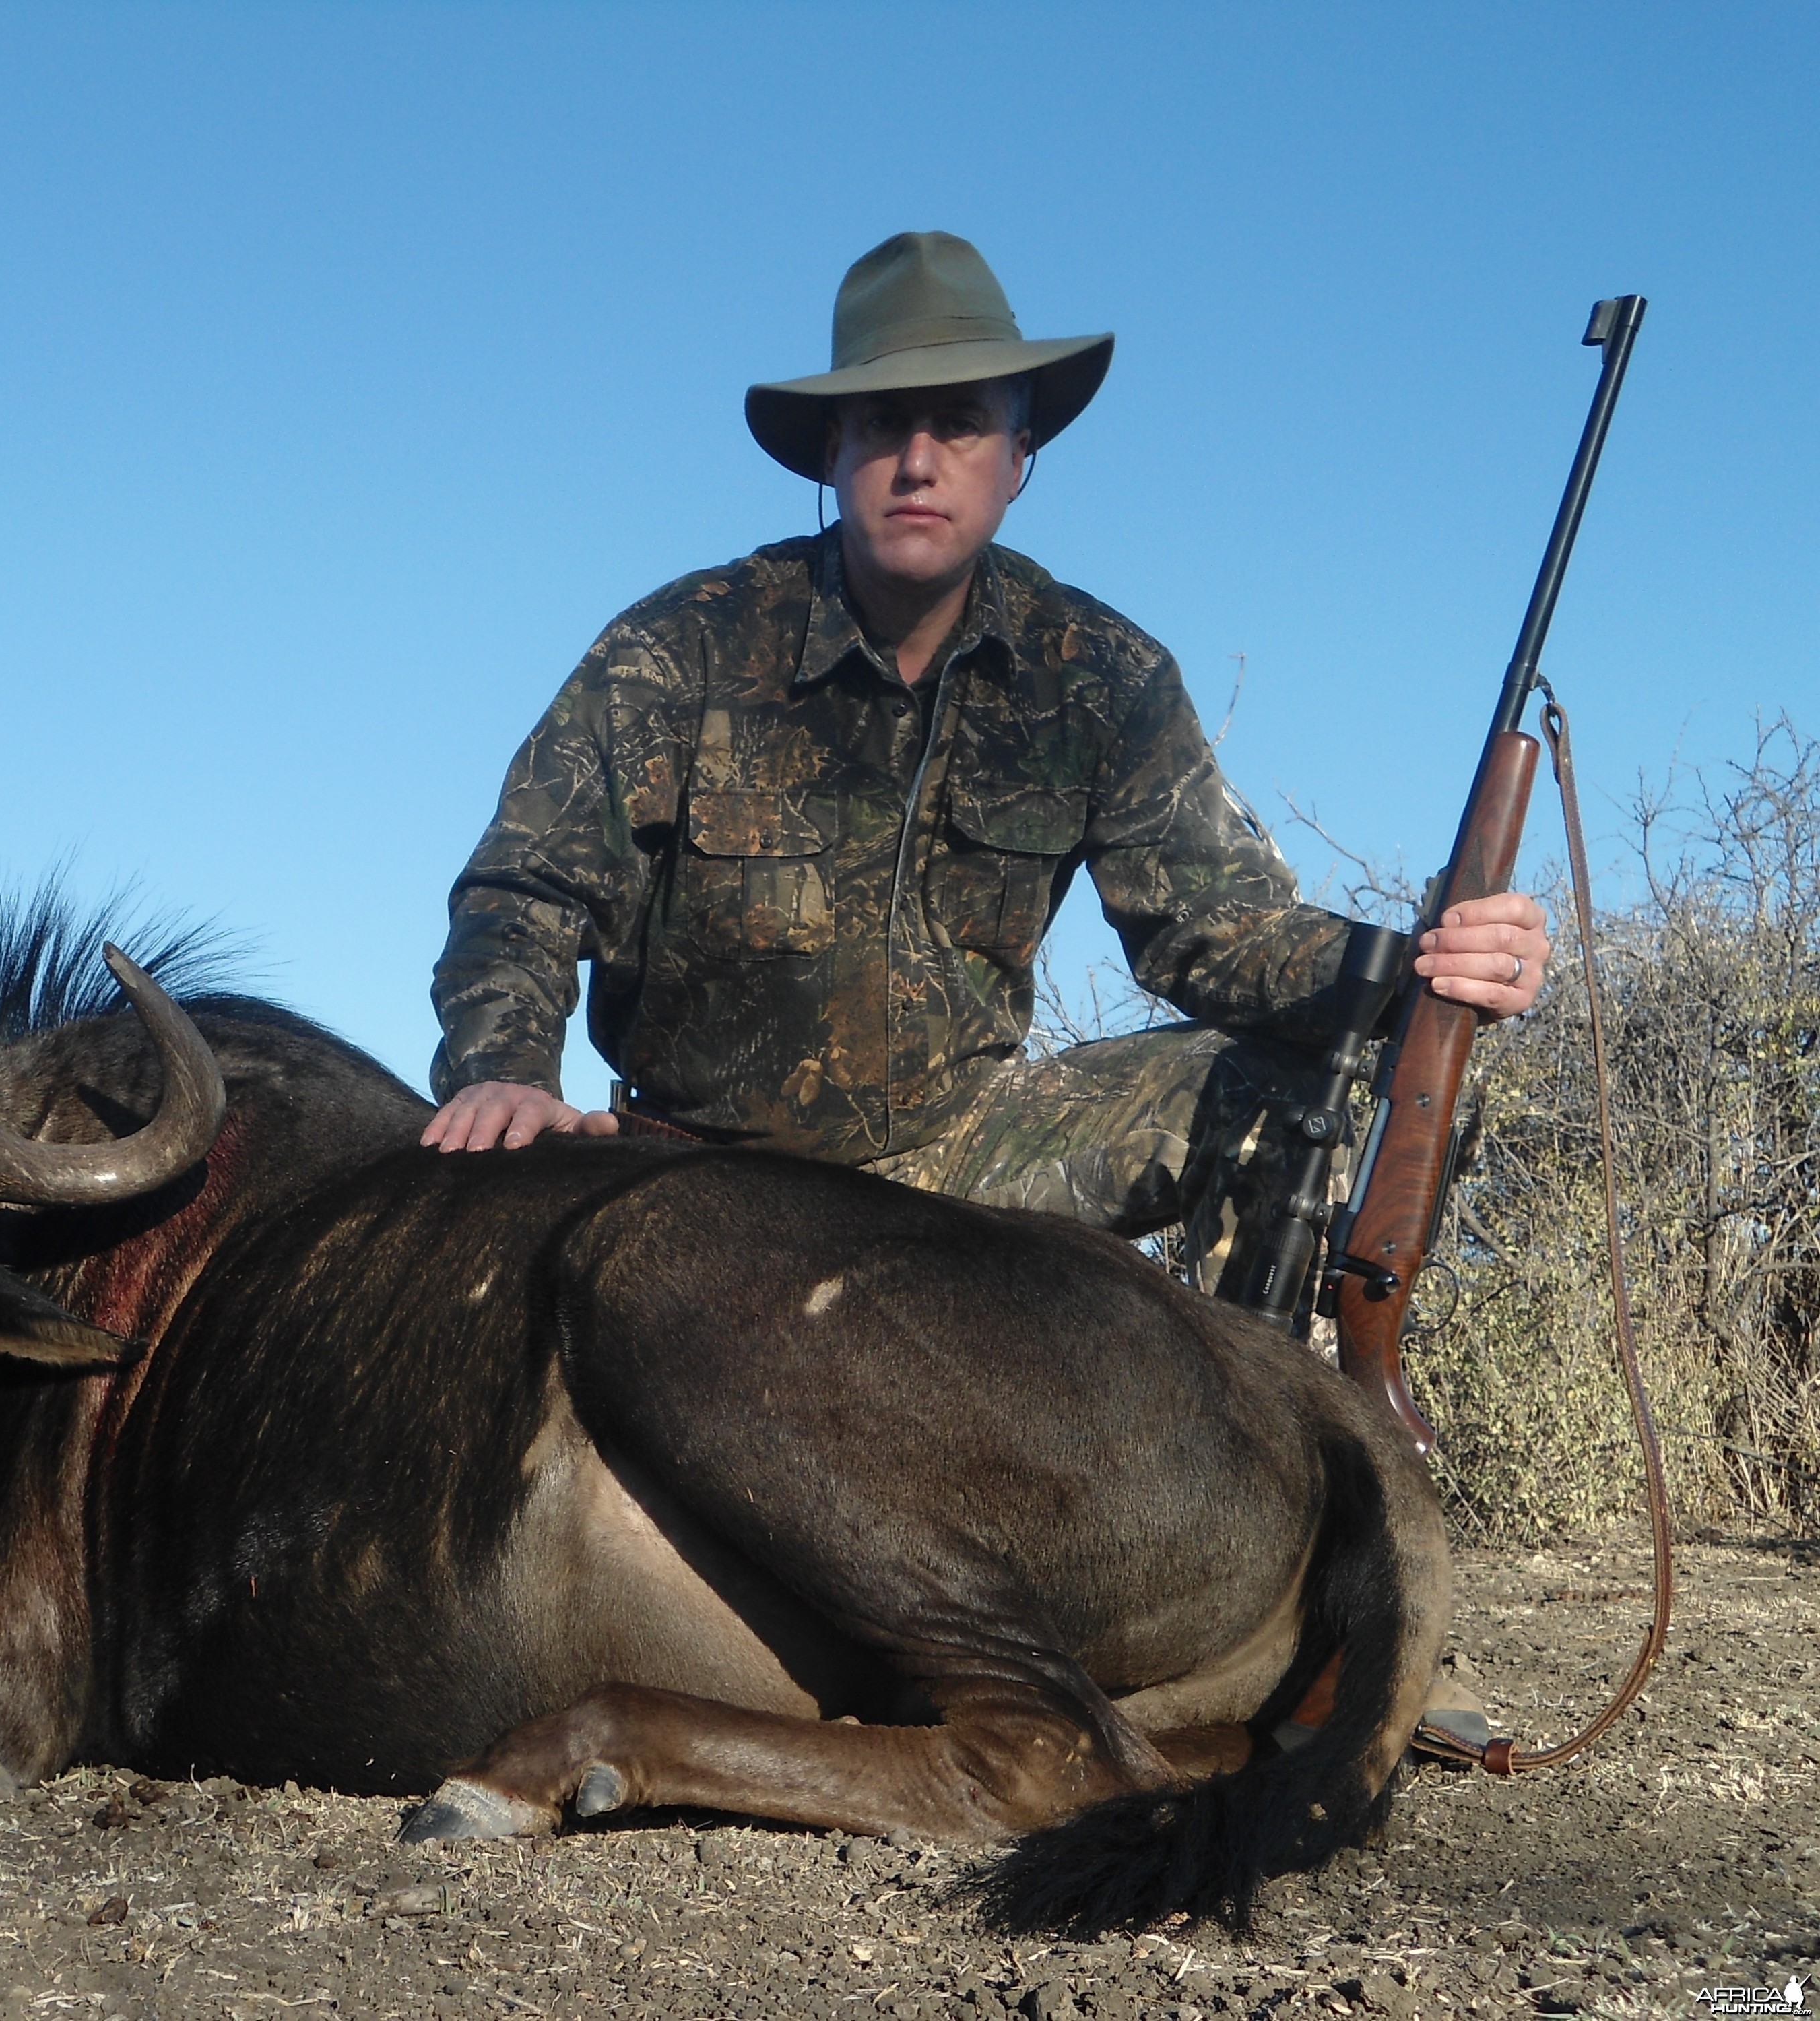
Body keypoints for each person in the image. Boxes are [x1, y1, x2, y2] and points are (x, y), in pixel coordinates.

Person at [424, 232, 1549, 1292]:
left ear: (1020, 459)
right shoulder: (679, 646)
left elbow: (1223, 934)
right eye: (880, 426)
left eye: (960, 425)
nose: (919, 462)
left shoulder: (1105, 674)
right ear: (835, 452)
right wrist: (505, 1069)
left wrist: (1421, 969)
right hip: (695, 1161)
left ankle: (1278, 1439)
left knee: (1298, 1087)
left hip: (965, 1147)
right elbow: (527, 889)